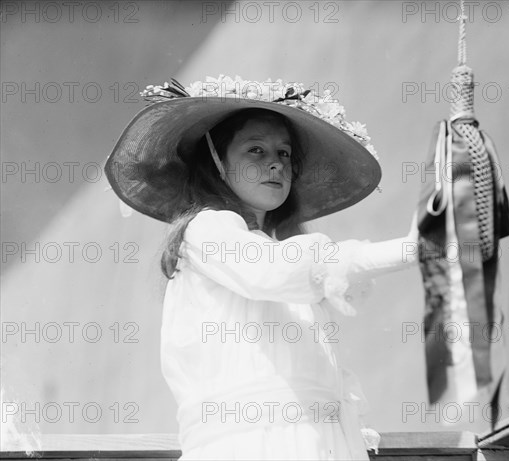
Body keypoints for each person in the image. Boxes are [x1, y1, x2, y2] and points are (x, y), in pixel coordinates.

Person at [104, 76, 419, 460]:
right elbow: (273, 271)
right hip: (250, 445)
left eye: (284, 153)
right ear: (216, 163)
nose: (274, 163)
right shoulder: (207, 230)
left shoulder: (288, 266)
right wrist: (409, 249)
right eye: (255, 150)